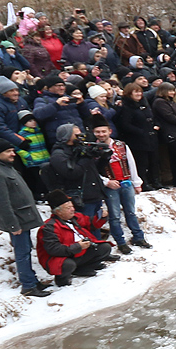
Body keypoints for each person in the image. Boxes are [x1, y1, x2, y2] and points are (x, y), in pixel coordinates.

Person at [0, 139, 50, 296]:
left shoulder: (4, 167)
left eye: (13, 150)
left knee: (26, 250)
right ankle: (28, 285)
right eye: (8, 151)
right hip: (17, 220)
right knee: (22, 252)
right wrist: (13, 225)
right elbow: (0, 204)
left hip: (22, 217)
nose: (13, 154)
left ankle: (32, 281)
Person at [90, 120, 151, 253]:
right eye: (98, 132)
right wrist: (107, 182)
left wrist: (136, 182)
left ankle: (138, 237)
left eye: (103, 131)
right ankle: (121, 242)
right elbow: (92, 171)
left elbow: (131, 163)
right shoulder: (92, 149)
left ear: (109, 131)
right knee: (115, 215)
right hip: (110, 186)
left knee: (131, 212)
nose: (101, 134)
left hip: (126, 182)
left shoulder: (121, 145)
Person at [36, 189, 116, 287]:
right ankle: (62, 279)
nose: (72, 209)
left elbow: (91, 223)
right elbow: (54, 249)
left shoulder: (75, 217)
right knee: (68, 265)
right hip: (61, 257)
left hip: (78, 252)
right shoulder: (49, 227)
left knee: (105, 247)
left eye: (72, 206)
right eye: (68, 208)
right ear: (58, 212)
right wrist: (77, 246)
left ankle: (82, 269)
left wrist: (101, 217)